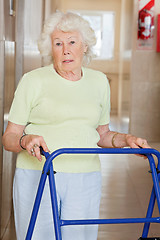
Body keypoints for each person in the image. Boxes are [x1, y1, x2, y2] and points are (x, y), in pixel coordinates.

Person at [2, 11, 150, 240]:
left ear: (85, 46)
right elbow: (9, 137)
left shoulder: (99, 81)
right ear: (50, 48)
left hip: (85, 176)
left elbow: (102, 134)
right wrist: (25, 140)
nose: (66, 50)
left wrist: (126, 140)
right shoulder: (32, 81)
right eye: (58, 43)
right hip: (38, 173)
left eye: (72, 42)